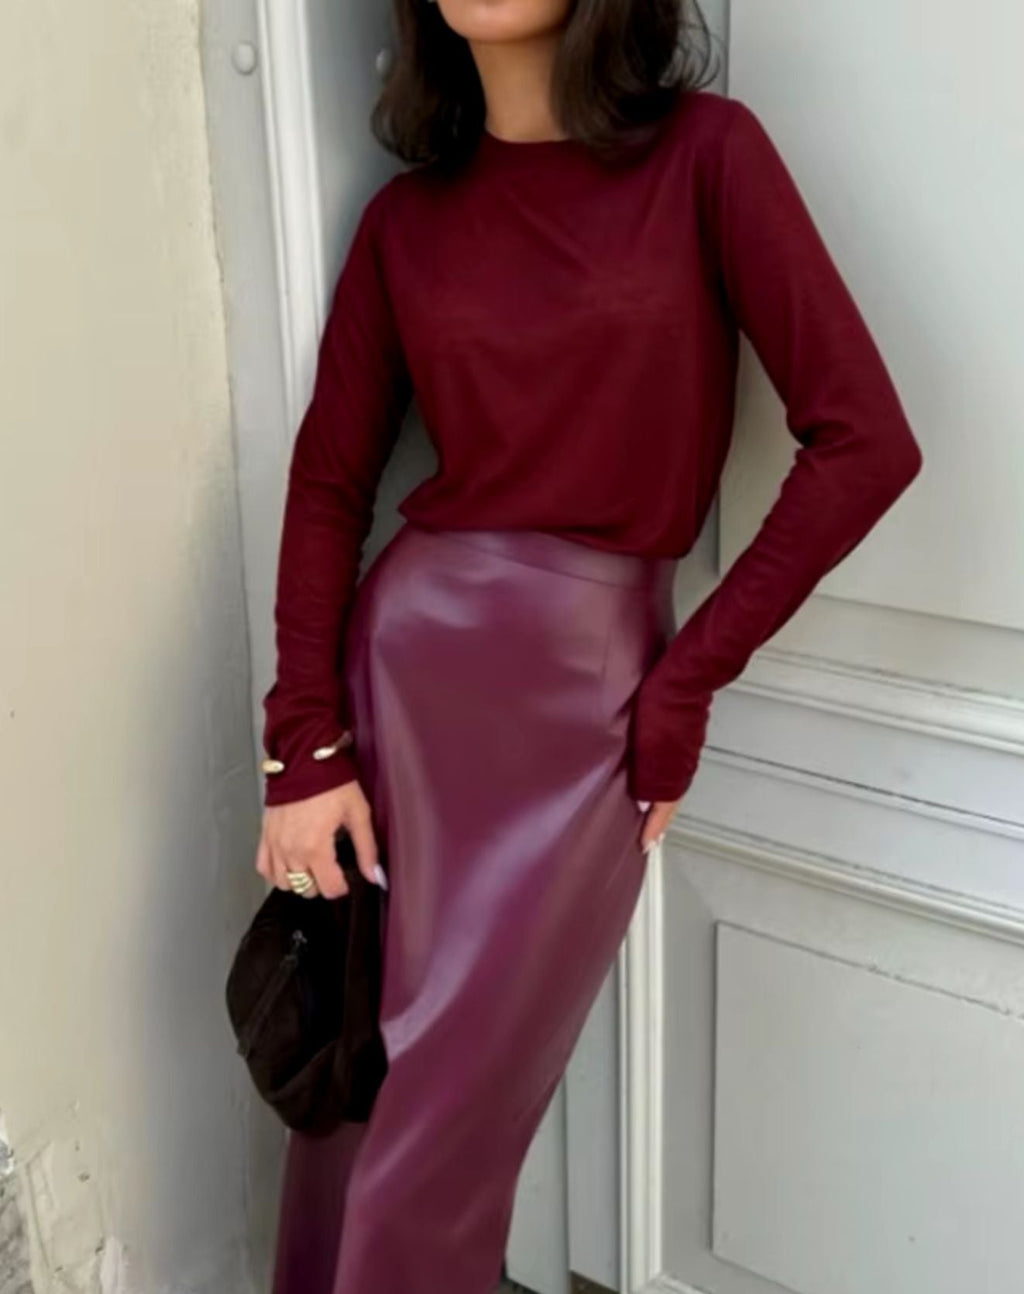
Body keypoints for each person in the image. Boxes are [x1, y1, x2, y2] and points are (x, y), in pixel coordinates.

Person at [254, 1, 924, 1290]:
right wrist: (303, 748)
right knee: (353, 1088)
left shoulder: (708, 157)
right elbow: (329, 484)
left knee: (448, 1125)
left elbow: (866, 442)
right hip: (403, 687)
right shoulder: (406, 222)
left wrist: (688, 681)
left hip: (587, 710)